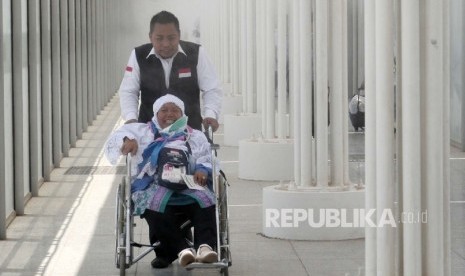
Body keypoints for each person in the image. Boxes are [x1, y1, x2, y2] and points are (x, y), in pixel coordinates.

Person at [105, 94, 218, 268]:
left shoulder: (193, 135)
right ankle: (182, 251)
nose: (169, 114)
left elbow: (206, 155)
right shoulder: (144, 131)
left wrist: (202, 169)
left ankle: (204, 247)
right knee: (153, 203)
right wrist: (128, 140)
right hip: (155, 183)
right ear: (156, 114)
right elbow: (120, 134)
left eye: (175, 110)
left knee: (207, 199)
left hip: (187, 181)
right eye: (164, 110)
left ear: (183, 114)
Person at [119, 10, 222, 132]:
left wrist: (210, 115)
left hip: (189, 133)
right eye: (159, 38)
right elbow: (129, 91)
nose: (166, 44)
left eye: (171, 38)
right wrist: (131, 118)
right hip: (148, 133)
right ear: (150, 37)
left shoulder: (197, 53)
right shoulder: (138, 55)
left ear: (179, 35)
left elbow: (211, 88)